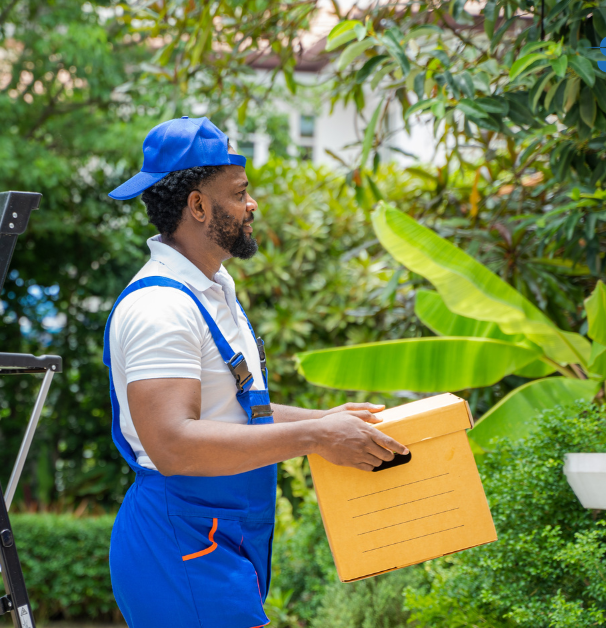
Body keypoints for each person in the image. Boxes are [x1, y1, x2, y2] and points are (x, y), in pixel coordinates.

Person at [103, 116, 408, 627]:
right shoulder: (159, 307)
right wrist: (317, 436)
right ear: (197, 205)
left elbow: (236, 408)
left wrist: (323, 417)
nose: (253, 205)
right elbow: (173, 445)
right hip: (182, 542)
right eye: (240, 192)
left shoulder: (214, 287)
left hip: (220, 530)